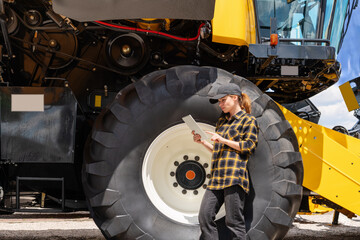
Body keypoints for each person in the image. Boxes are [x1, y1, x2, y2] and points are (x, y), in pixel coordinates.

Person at [193, 83, 259, 240]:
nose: (220, 104)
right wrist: (203, 142)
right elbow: (219, 150)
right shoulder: (222, 121)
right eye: (219, 101)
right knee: (205, 216)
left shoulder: (248, 120)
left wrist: (222, 140)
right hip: (217, 178)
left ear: (235, 98)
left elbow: (248, 147)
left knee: (234, 223)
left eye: (223, 100)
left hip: (234, 177)